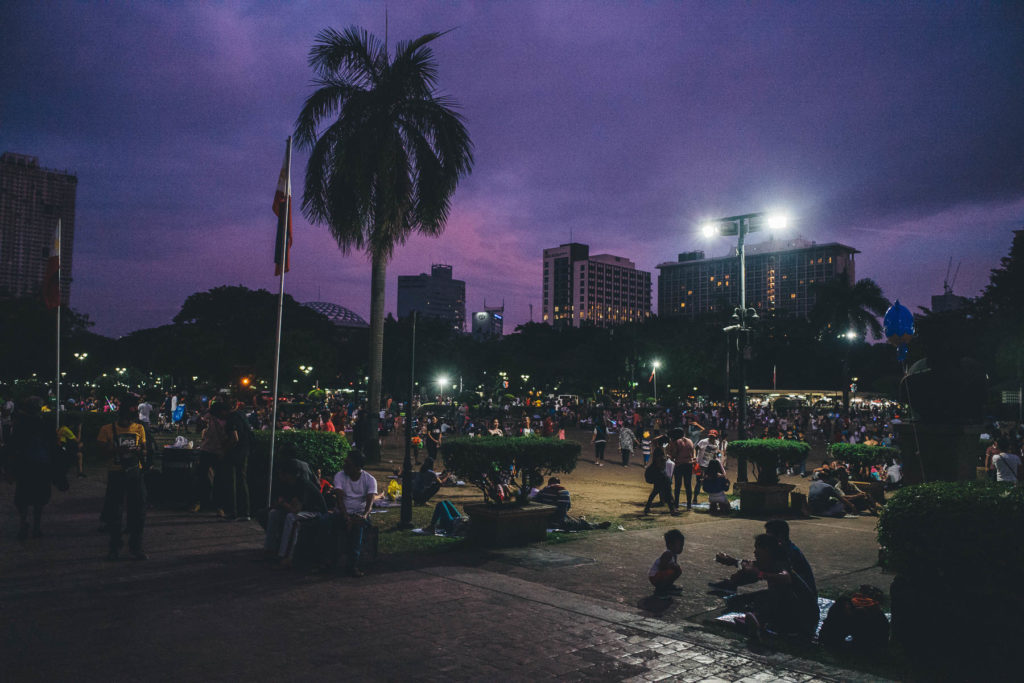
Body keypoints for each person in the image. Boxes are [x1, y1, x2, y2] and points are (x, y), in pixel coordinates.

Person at [96, 400, 148, 560]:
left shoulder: (139, 428)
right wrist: (116, 450)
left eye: (132, 418)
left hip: (135, 473)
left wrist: (140, 450)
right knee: (115, 512)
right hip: (116, 473)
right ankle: (114, 546)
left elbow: (145, 451)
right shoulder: (107, 429)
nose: (129, 421)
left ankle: (135, 546)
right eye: (127, 418)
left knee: (138, 512)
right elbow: (100, 453)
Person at [2, 398, 59, 541]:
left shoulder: (20, 425)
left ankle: (23, 523)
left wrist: (9, 468)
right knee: (39, 498)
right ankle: (36, 526)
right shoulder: (46, 424)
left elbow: (12, 447)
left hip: (25, 466)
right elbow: (53, 446)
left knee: (23, 497)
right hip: (42, 465)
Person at [712, 519, 816, 597]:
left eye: (768, 534)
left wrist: (757, 572)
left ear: (779, 536)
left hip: (798, 597)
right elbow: (759, 565)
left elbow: (782, 576)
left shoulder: (788, 553)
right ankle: (731, 584)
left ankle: (731, 585)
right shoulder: (781, 548)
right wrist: (735, 562)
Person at [264, 458, 327, 567]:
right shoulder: (285, 483)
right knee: (273, 513)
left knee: (291, 518)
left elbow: (295, 509)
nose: (279, 475)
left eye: (282, 473)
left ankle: (287, 556)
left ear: (289, 474)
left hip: (314, 511)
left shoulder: (302, 484)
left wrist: (283, 503)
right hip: (301, 510)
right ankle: (270, 549)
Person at [330, 450, 378, 577]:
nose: (344, 466)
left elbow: (370, 503)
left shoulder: (370, 480)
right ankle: (328, 561)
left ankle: (352, 564)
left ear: (357, 467)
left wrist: (364, 516)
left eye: (348, 464)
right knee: (328, 523)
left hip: (359, 514)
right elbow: (339, 499)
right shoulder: (340, 476)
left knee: (358, 527)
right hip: (342, 513)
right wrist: (346, 517)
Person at [534, 476, 611, 531]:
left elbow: (537, 502)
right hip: (558, 521)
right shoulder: (563, 491)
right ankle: (598, 525)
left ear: (548, 484)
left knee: (573, 519)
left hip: (543, 520)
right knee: (581, 524)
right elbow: (566, 508)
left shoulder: (542, 491)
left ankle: (581, 519)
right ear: (559, 483)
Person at [223, 403, 254, 520]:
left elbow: (234, 438)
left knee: (233, 482)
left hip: (236, 452)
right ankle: (245, 512)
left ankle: (233, 512)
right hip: (245, 450)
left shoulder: (231, 419)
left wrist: (224, 450)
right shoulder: (241, 415)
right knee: (242, 480)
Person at [643, 444, 680, 516]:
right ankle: (672, 510)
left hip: (658, 477)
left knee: (655, 493)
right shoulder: (660, 456)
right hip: (661, 476)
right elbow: (661, 466)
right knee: (668, 493)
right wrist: (665, 459)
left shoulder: (657, 454)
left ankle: (647, 508)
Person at [648, 529, 685, 599]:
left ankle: (667, 586)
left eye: (682, 545)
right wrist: (672, 566)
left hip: (661, 575)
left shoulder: (674, 555)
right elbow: (661, 567)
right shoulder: (667, 554)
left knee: (677, 571)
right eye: (680, 545)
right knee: (673, 571)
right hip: (655, 577)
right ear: (671, 545)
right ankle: (659, 591)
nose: (681, 548)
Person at [668, 427, 696, 511]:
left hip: (679, 465)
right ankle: (689, 505)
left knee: (678, 485)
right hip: (688, 465)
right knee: (688, 485)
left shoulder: (676, 442)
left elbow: (674, 454)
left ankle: (676, 505)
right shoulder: (690, 441)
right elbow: (693, 451)